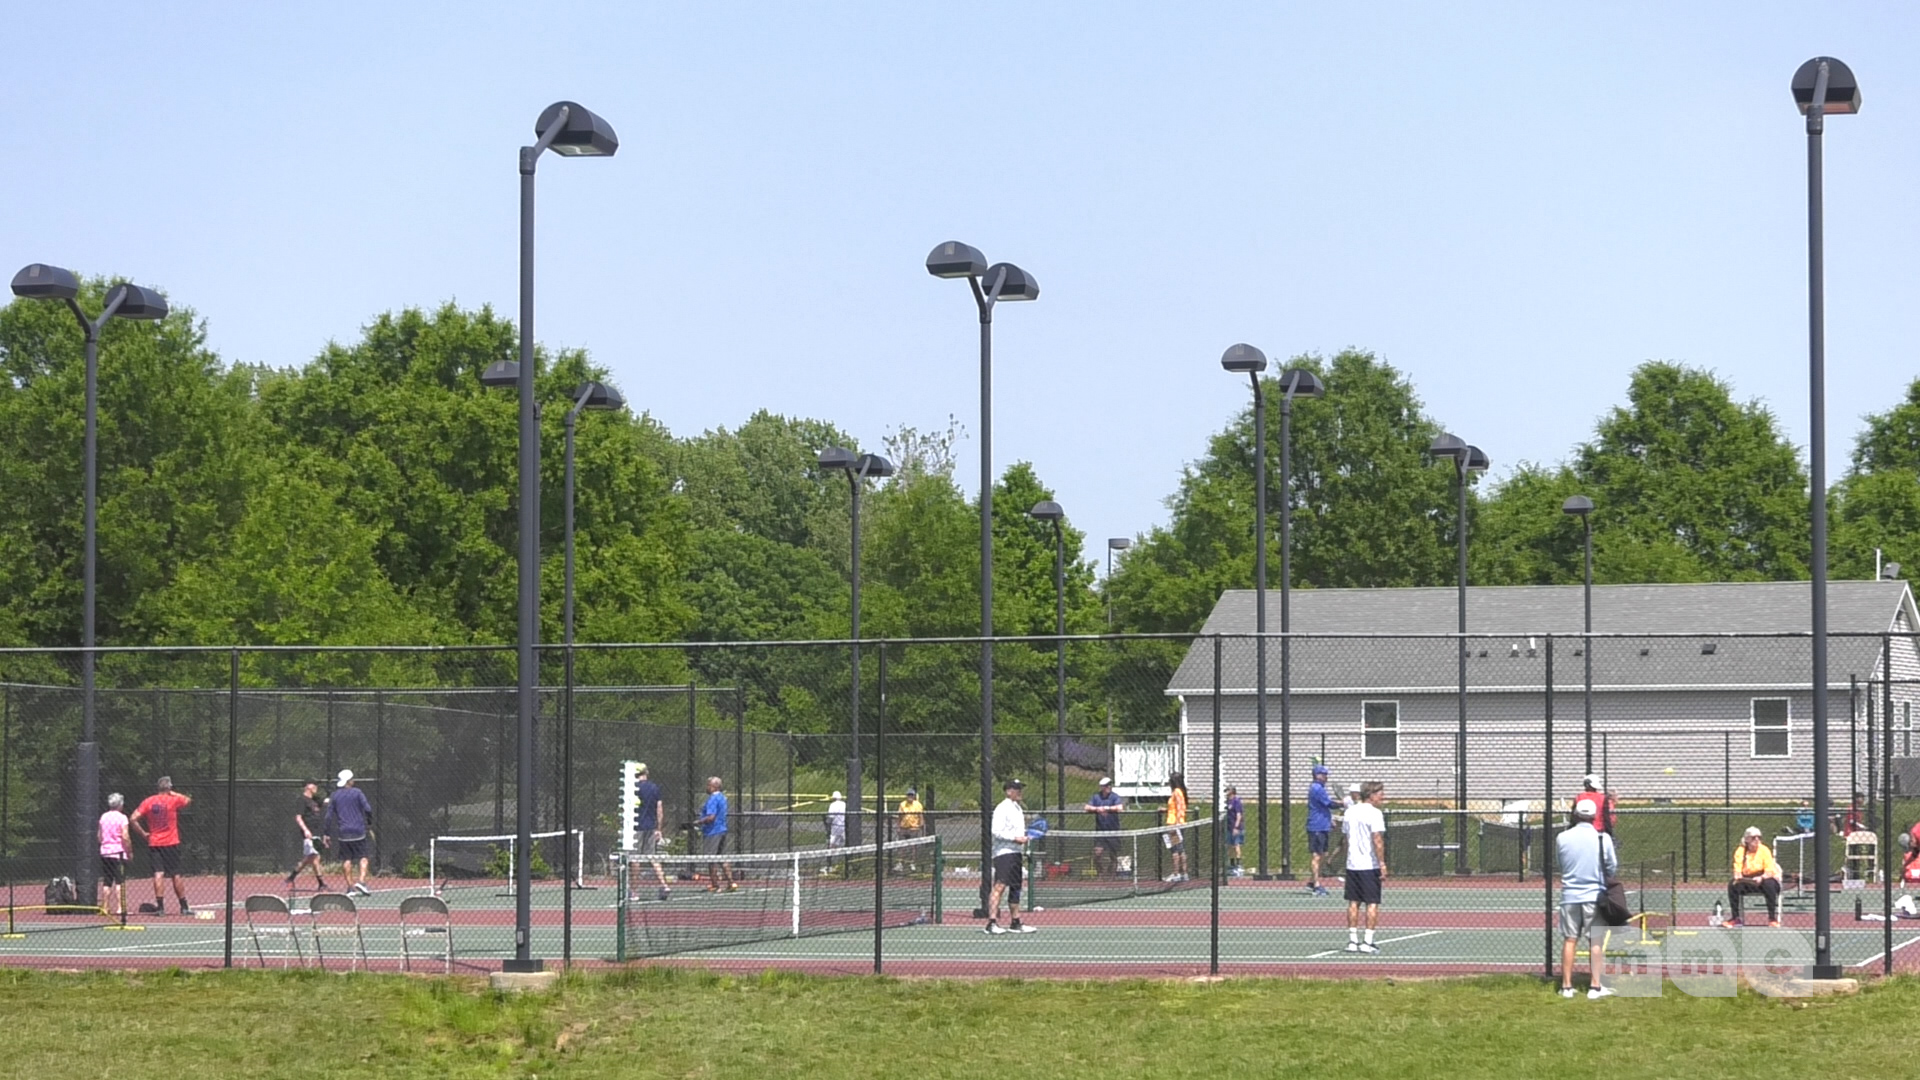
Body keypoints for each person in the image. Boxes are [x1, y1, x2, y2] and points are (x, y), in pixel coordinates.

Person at [1555, 796, 1619, 999]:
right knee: (1596, 941)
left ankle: (1566, 986)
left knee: (1569, 940)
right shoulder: (1603, 839)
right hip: (1595, 896)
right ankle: (1595, 986)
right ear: (1594, 816)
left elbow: (1561, 863)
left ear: (1575, 814)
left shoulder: (1562, 838)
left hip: (1570, 896)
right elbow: (1611, 867)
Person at [130, 776, 192, 916]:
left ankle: (161, 907)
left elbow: (133, 818)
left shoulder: (149, 801)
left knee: (158, 873)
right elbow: (188, 800)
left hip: (155, 842)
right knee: (175, 874)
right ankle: (183, 906)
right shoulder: (173, 799)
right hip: (171, 842)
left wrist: (144, 834)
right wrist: (173, 792)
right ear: (169, 787)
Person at [1342, 781, 1387, 954]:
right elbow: (1377, 839)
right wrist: (1382, 863)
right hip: (1369, 865)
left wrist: (1349, 857)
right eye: (1380, 793)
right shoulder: (1375, 814)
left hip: (1352, 865)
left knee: (1353, 902)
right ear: (1372, 795)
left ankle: (1353, 941)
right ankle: (1367, 942)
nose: (1382, 796)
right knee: (1372, 902)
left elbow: (1346, 839)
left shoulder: (1349, 812)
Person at [984, 778, 1034, 934]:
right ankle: (991, 923)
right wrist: (1015, 838)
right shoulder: (1002, 808)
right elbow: (996, 831)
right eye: (1016, 789)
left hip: (1016, 853)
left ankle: (1015, 922)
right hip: (1004, 853)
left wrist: (1024, 837)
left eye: (1020, 788)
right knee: (999, 886)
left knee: (1016, 888)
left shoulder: (1018, 808)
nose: (1020, 792)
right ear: (1008, 791)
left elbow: (1016, 832)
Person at [322, 769, 374, 897]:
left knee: (346, 859)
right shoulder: (357, 793)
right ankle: (361, 881)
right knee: (363, 857)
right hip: (358, 831)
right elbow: (368, 809)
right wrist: (369, 821)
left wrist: (326, 833)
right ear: (349, 781)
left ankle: (350, 887)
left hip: (343, 833)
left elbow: (328, 816)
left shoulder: (335, 796)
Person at [1727, 825, 1783, 928]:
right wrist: (1738, 876)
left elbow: (1769, 871)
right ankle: (1735, 918)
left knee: (1769, 884)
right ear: (1747, 839)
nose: (1757, 840)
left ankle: (1772, 919)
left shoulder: (1764, 850)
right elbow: (1737, 869)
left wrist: (1761, 877)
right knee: (1732, 885)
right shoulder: (1740, 851)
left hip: (1764, 878)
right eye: (1753, 837)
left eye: (1759, 837)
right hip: (1748, 880)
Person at [633, 763, 669, 901]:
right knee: (652, 857)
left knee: (635, 859)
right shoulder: (655, 788)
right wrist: (658, 828)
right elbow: (659, 809)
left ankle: (634, 892)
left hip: (637, 827)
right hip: (650, 827)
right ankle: (664, 885)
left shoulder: (633, 788)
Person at [285, 781, 330, 891]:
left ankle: (291, 877)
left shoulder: (315, 800)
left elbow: (326, 802)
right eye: (313, 785)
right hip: (309, 833)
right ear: (307, 787)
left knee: (310, 858)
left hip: (317, 832)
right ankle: (321, 883)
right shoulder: (302, 800)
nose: (316, 787)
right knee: (315, 858)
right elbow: (298, 817)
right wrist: (305, 830)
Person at [98, 793, 131, 919]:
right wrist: (128, 850)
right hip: (118, 853)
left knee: (107, 880)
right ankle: (120, 907)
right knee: (119, 880)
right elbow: (125, 836)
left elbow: (99, 836)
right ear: (120, 804)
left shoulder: (103, 817)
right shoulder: (122, 818)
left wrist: (105, 844)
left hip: (105, 852)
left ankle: (105, 906)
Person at [698, 776, 734, 892]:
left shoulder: (713, 799)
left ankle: (715, 885)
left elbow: (711, 817)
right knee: (723, 858)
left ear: (714, 787)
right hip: (722, 830)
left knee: (711, 859)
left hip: (712, 832)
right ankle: (731, 883)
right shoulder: (723, 798)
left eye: (708, 785)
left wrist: (699, 821)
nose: (707, 787)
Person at [1306, 764, 1335, 896]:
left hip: (1323, 825)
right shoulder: (1316, 788)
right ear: (1317, 775)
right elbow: (1329, 803)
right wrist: (1344, 803)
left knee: (1324, 854)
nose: (1325, 777)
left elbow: (1325, 807)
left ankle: (1312, 881)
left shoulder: (1321, 788)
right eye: (1323, 774)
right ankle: (1316, 885)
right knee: (1317, 855)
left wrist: (1330, 820)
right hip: (1316, 826)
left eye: (1326, 774)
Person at [1085, 777, 1124, 877]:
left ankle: (1112, 875)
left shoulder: (1114, 797)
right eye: (1106, 786)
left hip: (1113, 830)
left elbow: (1120, 808)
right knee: (1097, 854)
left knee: (1113, 855)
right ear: (1102, 787)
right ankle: (1101, 873)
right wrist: (1098, 809)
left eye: (1109, 785)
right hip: (1100, 830)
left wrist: (1107, 808)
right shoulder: (1096, 797)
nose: (1108, 787)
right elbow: (1087, 807)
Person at [1163, 771, 1190, 883]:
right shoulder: (1178, 792)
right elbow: (1174, 808)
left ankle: (1177, 873)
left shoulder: (1177, 792)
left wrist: (1176, 824)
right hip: (1176, 822)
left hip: (1174, 824)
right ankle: (1183, 873)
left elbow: (1179, 808)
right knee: (1180, 849)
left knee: (1175, 850)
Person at [896, 787, 925, 872]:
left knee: (913, 847)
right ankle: (900, 863)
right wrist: (898, 827)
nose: (910, 796)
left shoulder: (918, 805)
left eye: (911, 795)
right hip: (904, 827)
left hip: (913, 828)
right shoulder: (902, 804)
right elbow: (899, 817)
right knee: (901, 847)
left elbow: (920, 816)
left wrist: (920, 825)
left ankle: (912, 863)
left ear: (914, 796)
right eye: (909, 795)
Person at [1224, 785, 1245, 878]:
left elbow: (1239, 815)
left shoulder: (1236, 801)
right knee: (1230, 846)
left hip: (1236, 828)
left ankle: (1238, 865)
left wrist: (1236, 827)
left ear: (1232, 792)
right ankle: (1232, 865)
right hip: (1229, 827)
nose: (1226, 793)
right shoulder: (1228, 801)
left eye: (1228, 791)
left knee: (1236, 845)